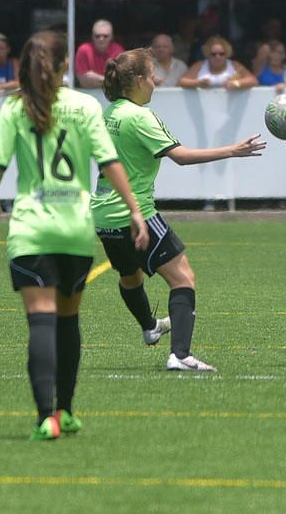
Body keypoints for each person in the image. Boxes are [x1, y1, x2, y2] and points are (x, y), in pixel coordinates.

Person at [0, 30, 149, 441]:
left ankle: (45, 417)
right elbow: (108, 161)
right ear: (62, 67)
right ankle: (68, 410)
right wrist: (134, 210)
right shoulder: (84, 105)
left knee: (40, 322)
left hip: (32, 229)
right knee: (69, 320)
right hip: (75, 229)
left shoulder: (15, 108)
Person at [93, 49, 266, 372]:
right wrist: (234, 150)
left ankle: (149, 326)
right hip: (135, 213)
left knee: (130, 277)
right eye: (152, 75)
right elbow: (181, 156)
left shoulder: (111, 112)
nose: (157, 81)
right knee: (183, 278)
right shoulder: (140, 116)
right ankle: (181, 355)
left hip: (102, 214)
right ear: (140, 81)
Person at [178, 35, 257, 90]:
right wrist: (198, 83)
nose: (217, 57)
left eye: (221, 54)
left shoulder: (234, 65)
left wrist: (236, 83)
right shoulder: (200, 65)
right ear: (207, 54)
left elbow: (253, 80)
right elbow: (182, 81)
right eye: (213, 54)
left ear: (227, 53)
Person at [75, 19, 125, 88]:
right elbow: (83, 82)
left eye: (105, 36)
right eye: (97, 36)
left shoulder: (118, 50)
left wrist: (95, 78)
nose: (101, 39)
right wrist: (107, 80)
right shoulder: (83, 50)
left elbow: (119, 82)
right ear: (92, 36)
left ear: (112, 37)